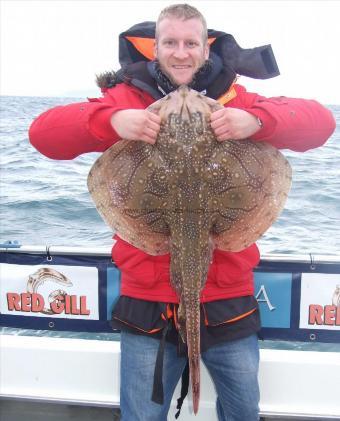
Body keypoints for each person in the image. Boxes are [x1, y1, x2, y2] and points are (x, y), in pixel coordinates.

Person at [29, 4, 335, 421]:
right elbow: (42, 135)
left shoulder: (236, 99)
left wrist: (256, 121)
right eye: (170, 42)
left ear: (205, 49)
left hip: (229, 298)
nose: (181, 52)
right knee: (142, 415)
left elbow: (320, 123)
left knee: (244, 412)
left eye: (191, 43)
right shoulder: (126, 99)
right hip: (147, 302)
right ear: (154, 48)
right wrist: (113, 120)